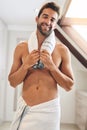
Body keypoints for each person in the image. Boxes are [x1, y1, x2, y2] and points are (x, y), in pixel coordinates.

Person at [8, 2, 74, 130]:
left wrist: (52, 66)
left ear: (55, 25)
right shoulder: (21, 48)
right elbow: (12, 82)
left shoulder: (62, 50)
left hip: (49, 112)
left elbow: (69, 85)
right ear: (37, 19)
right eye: (45, 16)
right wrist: (26, 65)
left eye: (52, 19)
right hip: (27, 110)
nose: (48, 21)